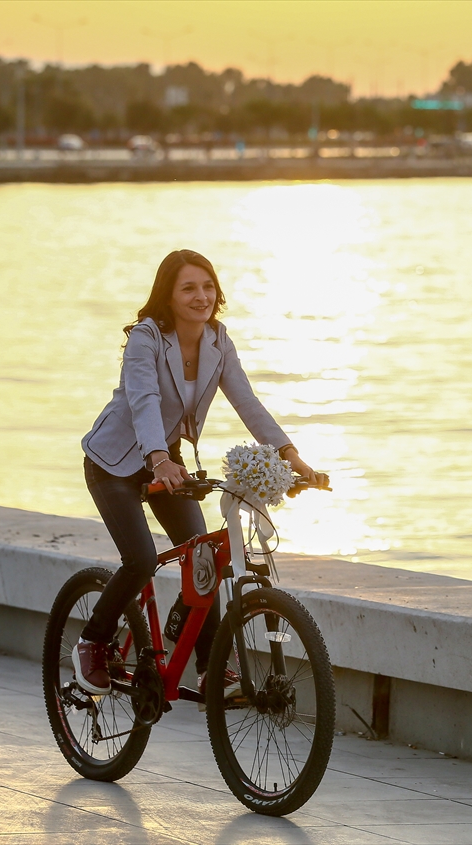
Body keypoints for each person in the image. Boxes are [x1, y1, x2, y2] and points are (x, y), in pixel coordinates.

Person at [73, 248, 325, 695]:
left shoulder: (217, 341)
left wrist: (291, 457)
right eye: (188, 287)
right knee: (142, 560)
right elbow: (143, 401)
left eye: (207, 286)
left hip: (165, 458)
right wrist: (159, 458)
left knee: (201, 557)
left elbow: (248, 403)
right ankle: (91, 642)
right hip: (114, 462)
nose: (201, 296)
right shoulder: (146, 338)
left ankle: (210, 666)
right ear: (168, 295)